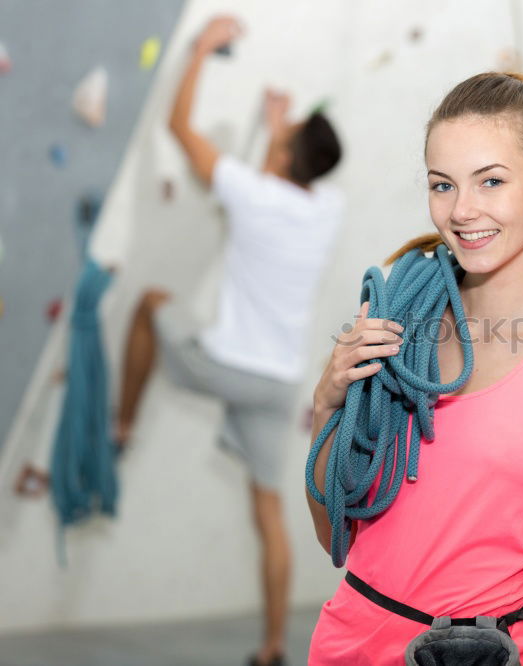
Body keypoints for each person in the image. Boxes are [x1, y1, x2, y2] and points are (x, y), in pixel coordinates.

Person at [306, 72, 523, 665]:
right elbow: (335, 532)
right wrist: (328, 403)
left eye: (491, 181)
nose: (461, 211)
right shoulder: (401, 327)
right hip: (347, 642)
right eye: (442, 185)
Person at [115, 15, 344, 666]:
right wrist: (280, 131)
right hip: (277, 384)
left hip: (224, 365)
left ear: (285, 157)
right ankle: (274, 645)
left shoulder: (250, 195)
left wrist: (199, 49)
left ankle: (123, 424)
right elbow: (291, 171)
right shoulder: (327, 210)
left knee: (150, 304)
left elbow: (178, 129)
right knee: (268, 509)